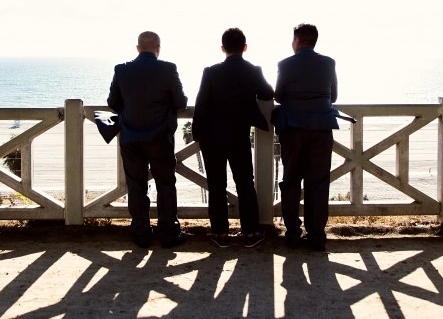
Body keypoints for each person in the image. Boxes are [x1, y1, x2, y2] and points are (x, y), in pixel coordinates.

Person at [191, 27, 275, 249]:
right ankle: (251, 233)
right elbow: (268, 93)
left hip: (212, 137)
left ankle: (220, 234)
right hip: (238, 136)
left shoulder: (210, 72)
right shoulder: (253, 71)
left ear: (222, 48)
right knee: (245, 184)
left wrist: (196, 134)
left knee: (217, 186)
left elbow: (201, 105)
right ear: (245, 47)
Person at [107, 31, 188, 249]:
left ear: (137, 48)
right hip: (160, 138)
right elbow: (180, 103)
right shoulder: (168, 69)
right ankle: (169, 233)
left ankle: (141, 234)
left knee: (136, 186)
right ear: (158, 48)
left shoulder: (121, 70)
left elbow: (113, 102)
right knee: (166, 184)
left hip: (131, 138)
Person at [273, 23, 338, 252]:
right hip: (321, 128)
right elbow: (334, 95)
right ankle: (317, 236)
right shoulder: (329, 63)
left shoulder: (285, 64)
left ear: (297, 41)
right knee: (318, 183)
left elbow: (279, 95)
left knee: (291, 181)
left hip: (293, 129)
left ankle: (292, 234)